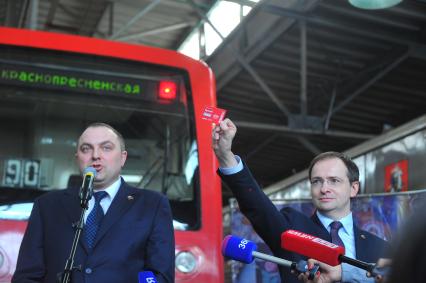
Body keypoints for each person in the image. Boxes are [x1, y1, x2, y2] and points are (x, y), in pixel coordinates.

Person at [213, 118, 389, 283]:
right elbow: (258, 207)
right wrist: (225, 155)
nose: (324, 188)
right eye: (317, 181)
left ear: (354, 188)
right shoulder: (291, 228)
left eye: (334, 181)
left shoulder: (379, 247)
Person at [12, 123, 175, 283]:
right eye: (86, 149)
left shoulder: (152, 205)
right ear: (78, 158)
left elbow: (159, 275)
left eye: (106, 147)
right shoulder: (47, 206)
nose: (95, 155)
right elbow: (26, 275)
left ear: (123, 158)